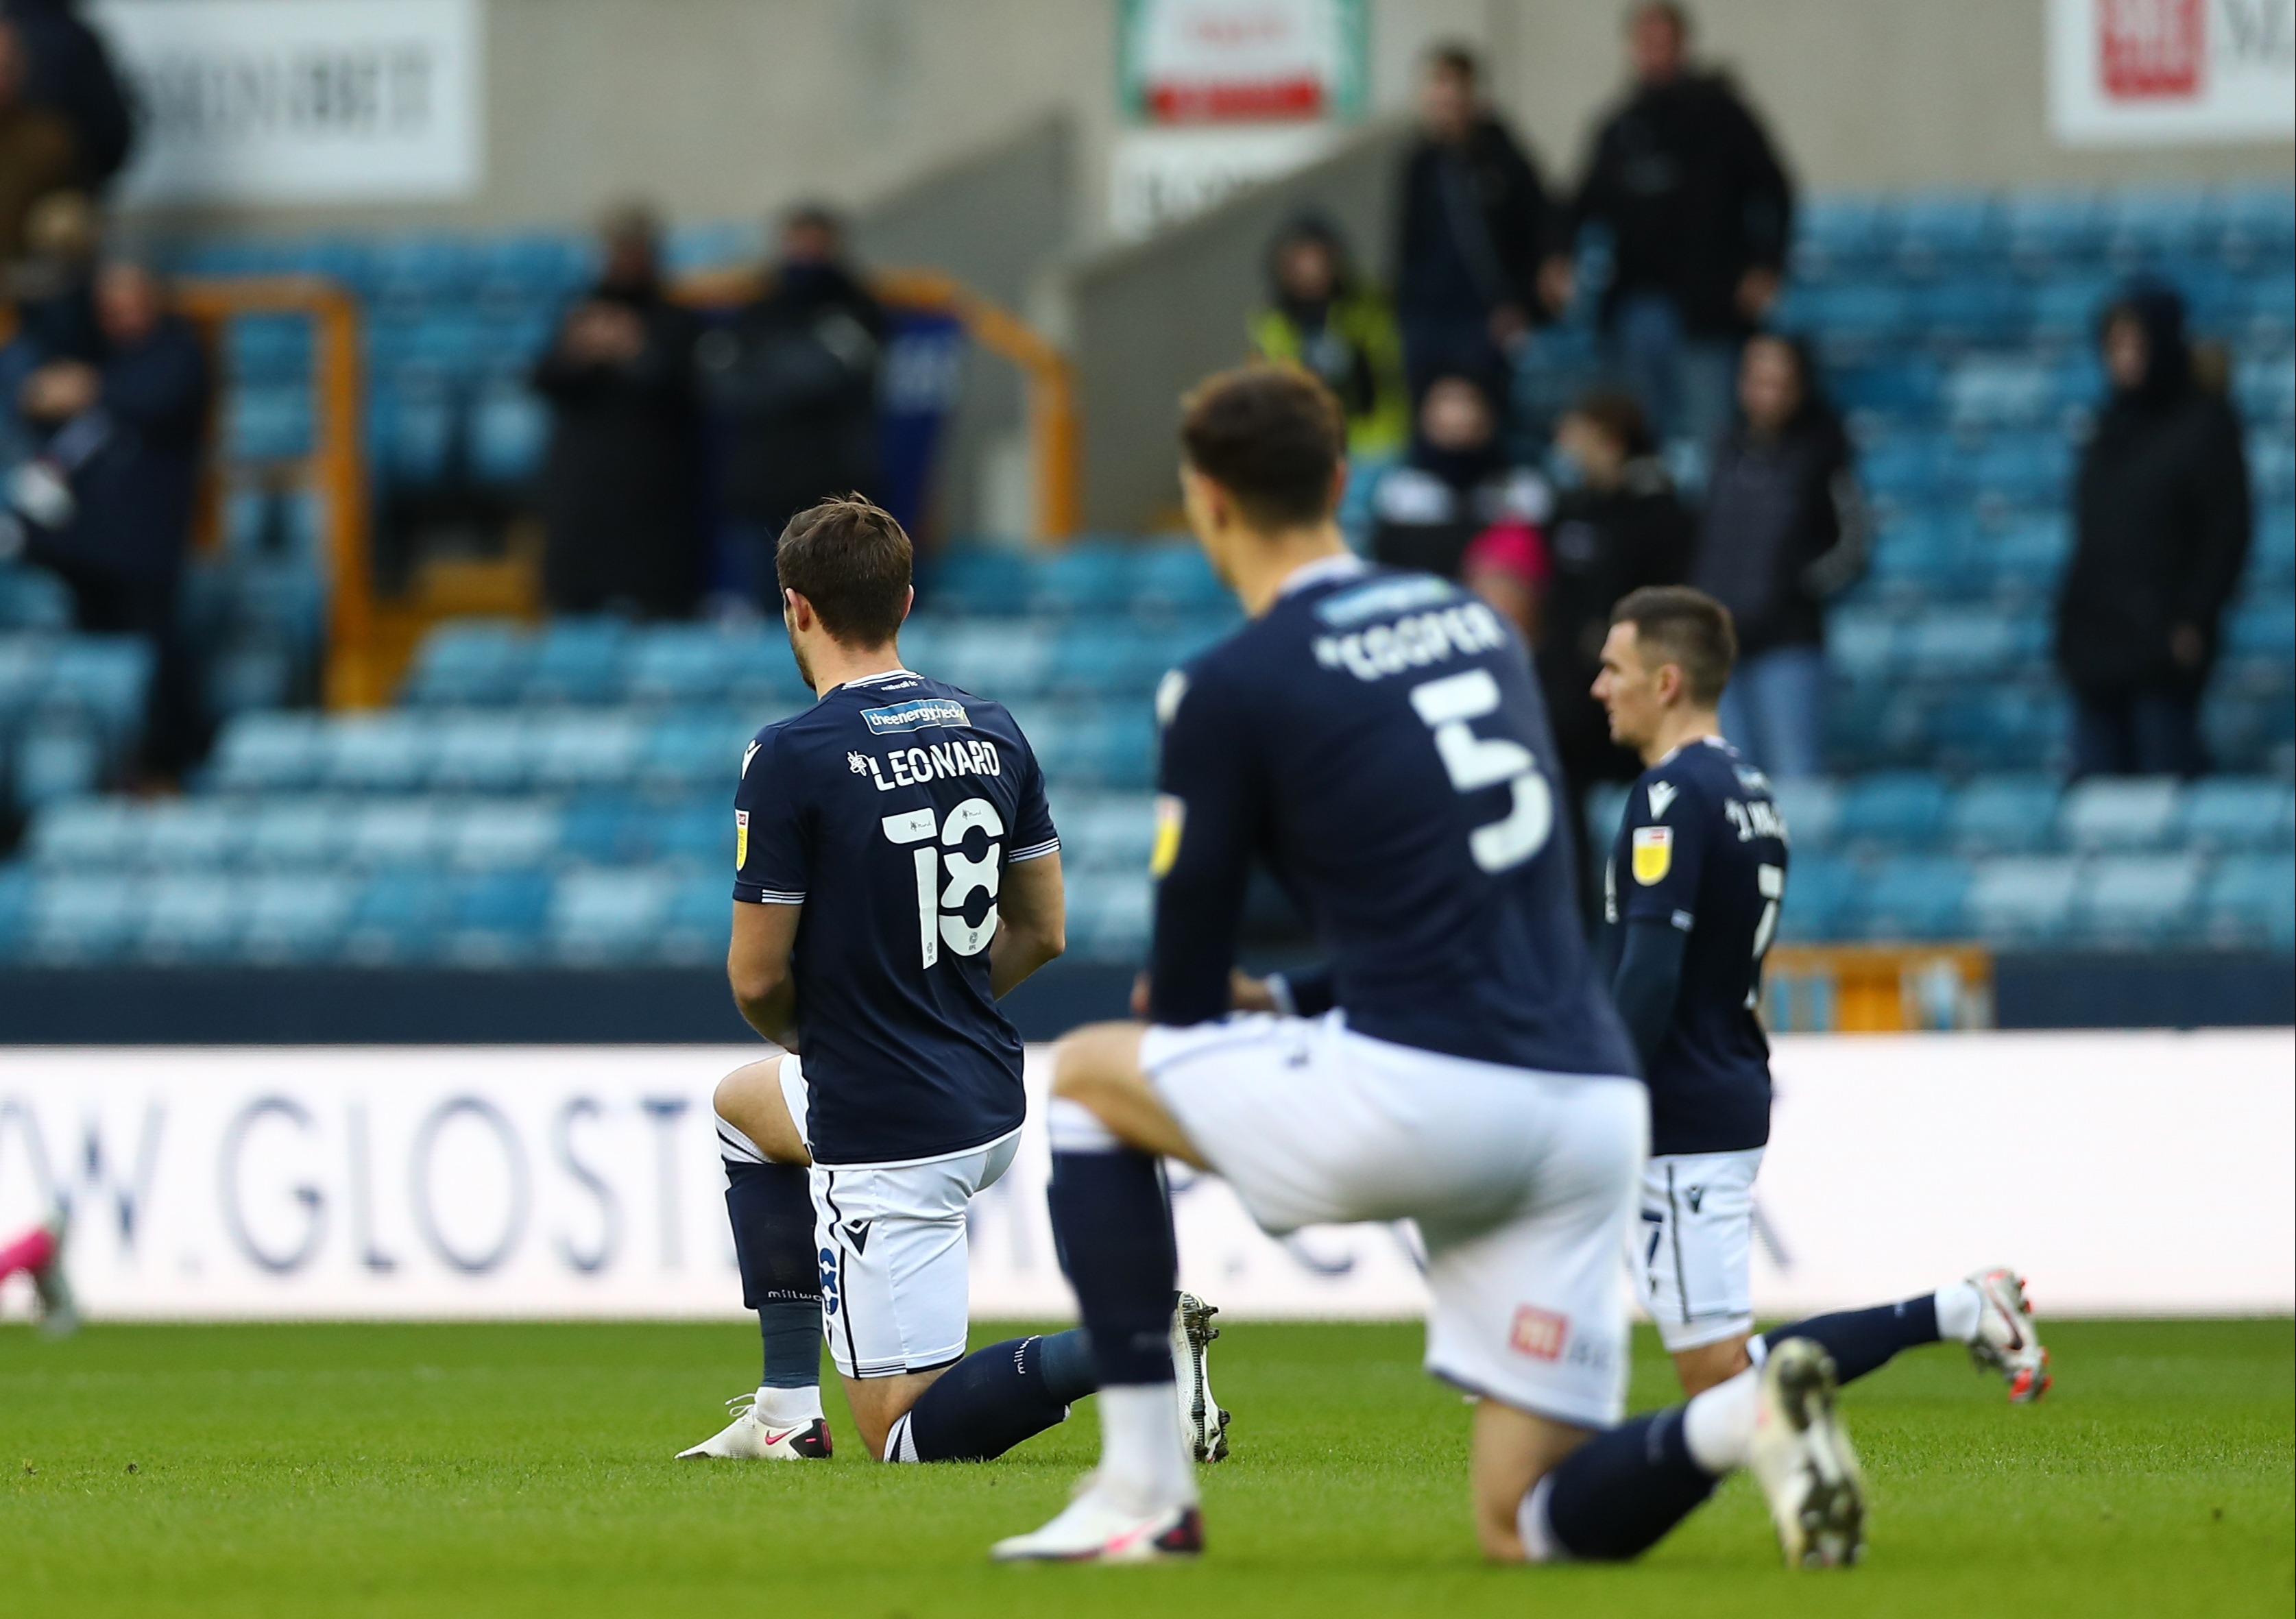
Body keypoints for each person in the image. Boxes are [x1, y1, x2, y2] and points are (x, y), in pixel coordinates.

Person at [992, 366, 1868, 1570]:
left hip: (1429, 1097)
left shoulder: (1222, 683)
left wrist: (1231, 1029)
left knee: (1093, 1077)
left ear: (1204, 501)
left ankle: (1144, 1487)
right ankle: (1741, 1415)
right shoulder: (1474, 626)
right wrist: (1295, 1002)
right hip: (1586, 1105)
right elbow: (1477, 905)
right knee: (1522, 1524)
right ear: (1341, 483)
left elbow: (1181, 998)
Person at [677, 495, 1229, 1468]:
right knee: (740, 1110)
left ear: (796, 608)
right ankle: (782, 1410)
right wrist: (932, 1003)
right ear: (906, 600)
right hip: (985, 1086)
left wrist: (839, 1034)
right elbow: (1043, 928)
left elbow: (755, 977)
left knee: (903, 1434)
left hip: (889, 1125)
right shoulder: (990, 726)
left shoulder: (792, 753)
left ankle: (1129, 1338)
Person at [1591, 585, 2052, 1404]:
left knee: (1719, 1376)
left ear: (1664, 683)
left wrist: (1603, 1091)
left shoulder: (1670, 797)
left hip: (1681, 1102)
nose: (1598, 687)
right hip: (1720, 1075)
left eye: (1613, 668)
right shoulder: (1749, 790)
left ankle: (1956, 1309)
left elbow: (1652, 970)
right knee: (1708, 1364)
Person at [1563, 3, 1793, 451]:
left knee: (1713, 437)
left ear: (1683, 46)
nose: (1655, 53)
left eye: (1663, 42)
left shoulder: (1723, 118)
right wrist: (1557, 258)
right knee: (1635, 442)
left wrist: (1767, 265)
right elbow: (1579, 206)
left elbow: (1775, 191)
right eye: (1645, 43)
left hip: (1707, 310)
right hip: (1634, 308)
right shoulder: (1619, 126)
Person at [19, 260, 210, 780]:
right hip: (83, 547)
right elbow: (36, 388)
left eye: (131, 302)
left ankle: (171, 763)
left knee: (155, 657)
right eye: (109, 305)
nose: (120, 314)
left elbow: (146, 397)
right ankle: (113, 766)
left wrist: (87, 387)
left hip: (145, 546)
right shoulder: (93, 352)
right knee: (89, 664)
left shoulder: (177, 352)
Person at [2057, 280, 2251, 779]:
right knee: (2098, 806)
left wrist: (2194, 615)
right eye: (2113, 346)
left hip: (2162, 645)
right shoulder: (2108, 428)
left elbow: (2227, 532)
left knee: (2162, 789)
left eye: (2135, 344)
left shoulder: (2203, 423)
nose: (2123, 358)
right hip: (2094, 643)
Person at [1537, 390, 1694, 921]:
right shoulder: (1570, 510)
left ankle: (1656, 912)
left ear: (1608, 441)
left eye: (1574, 434)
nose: (1565, 447)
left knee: (1655, 806)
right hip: (1574, 701)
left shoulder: (1658, 513)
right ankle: (1581, 919)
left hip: (1640, 693)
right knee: (1566, 811)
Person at [1689, 333, 1864, 781]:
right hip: (1721, 644)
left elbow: (1853, 546)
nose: (1766, 393)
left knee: (1793, 781)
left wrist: (1794, 590)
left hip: (1788, 644)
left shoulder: (1822, 452)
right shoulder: (1722, 451)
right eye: (1757, 380)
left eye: (1778, 381)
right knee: (1728, 783)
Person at [699, 205, 886, 611]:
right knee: (766, 620)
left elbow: (823, 375)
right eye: (798, 242)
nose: (806, 254)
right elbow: (727, 385)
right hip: (760, 487)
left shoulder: (860, 307)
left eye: (815, 243)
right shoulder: (757, 306)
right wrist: (789, 369)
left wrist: (765, 373)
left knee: (835, 613)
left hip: (833, 492)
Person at [531, 205, 703, 618]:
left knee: (658, 616)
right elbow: (544, 381)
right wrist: (580, 353)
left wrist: (635, 354)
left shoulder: (676, 320)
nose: (624, 261)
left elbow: (689, 393)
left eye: (633, 250)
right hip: (582, 493)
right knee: (574, 617)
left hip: (653, 495)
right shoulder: (579, 313)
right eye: (617, 250)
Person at [1392, 45, 1567, 404]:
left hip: (1486, 316)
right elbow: (1406, 244)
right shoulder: (1419, 162)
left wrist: (1520, 302)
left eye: (1452, 94)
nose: (1443, 106)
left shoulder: (1502, 157)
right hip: (1427, 315)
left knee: (1481, 412)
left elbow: (1542, 222)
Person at [1369, 372, 1549, 601]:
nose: (1458, 415)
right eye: (1446, 402)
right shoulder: (1400, 490)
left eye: (1468, 401)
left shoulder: (1522, 488)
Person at [1248, 213, 1407, 461]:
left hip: (1382, 442)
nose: (1312, 272)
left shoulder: (1367, 306)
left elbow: (1392, 369)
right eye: (1300, 263)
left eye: (1318, 260)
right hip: (1315, 451)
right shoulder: (1272, 326)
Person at [2, 0, 131, 194]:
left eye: (7, 69)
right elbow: (111, 134)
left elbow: (111, 134)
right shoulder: (74, 38)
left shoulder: (50, 141)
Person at [0, 19, 77, 264]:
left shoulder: (50, 138)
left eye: (6, 68)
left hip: (29, 285)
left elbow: (79, 206)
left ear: (23, 68)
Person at [0, 1206, 72, 1335]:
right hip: (39, 1257)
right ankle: (60, 1323)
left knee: (55, 1292)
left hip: (43, 1254)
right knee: (53, 1293)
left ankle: (63, 1324)